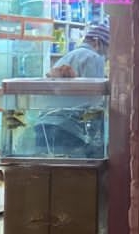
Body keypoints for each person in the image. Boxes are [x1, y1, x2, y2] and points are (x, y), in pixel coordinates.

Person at [39, 22, 110, 157]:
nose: (107, 57)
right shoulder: (93, 57)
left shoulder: (70, 55)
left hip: (45, 124)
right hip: (67, 129)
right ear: (97, 42)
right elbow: (94, 100)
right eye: (107, 50)